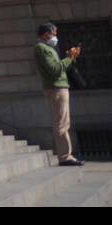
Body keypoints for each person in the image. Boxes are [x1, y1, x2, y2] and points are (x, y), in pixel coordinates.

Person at [33, 22, 83, 166]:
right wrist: (69, 58)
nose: (55, 37)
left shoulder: (47, 48)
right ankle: (65, 156)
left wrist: (68, 57)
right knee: (61, 124)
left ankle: (66, 155)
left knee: (63, 123)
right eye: (53, 34)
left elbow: (56, 67)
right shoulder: (42, 48)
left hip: (59, 87)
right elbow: (55, 69)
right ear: (45, 34)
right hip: (56, 88)